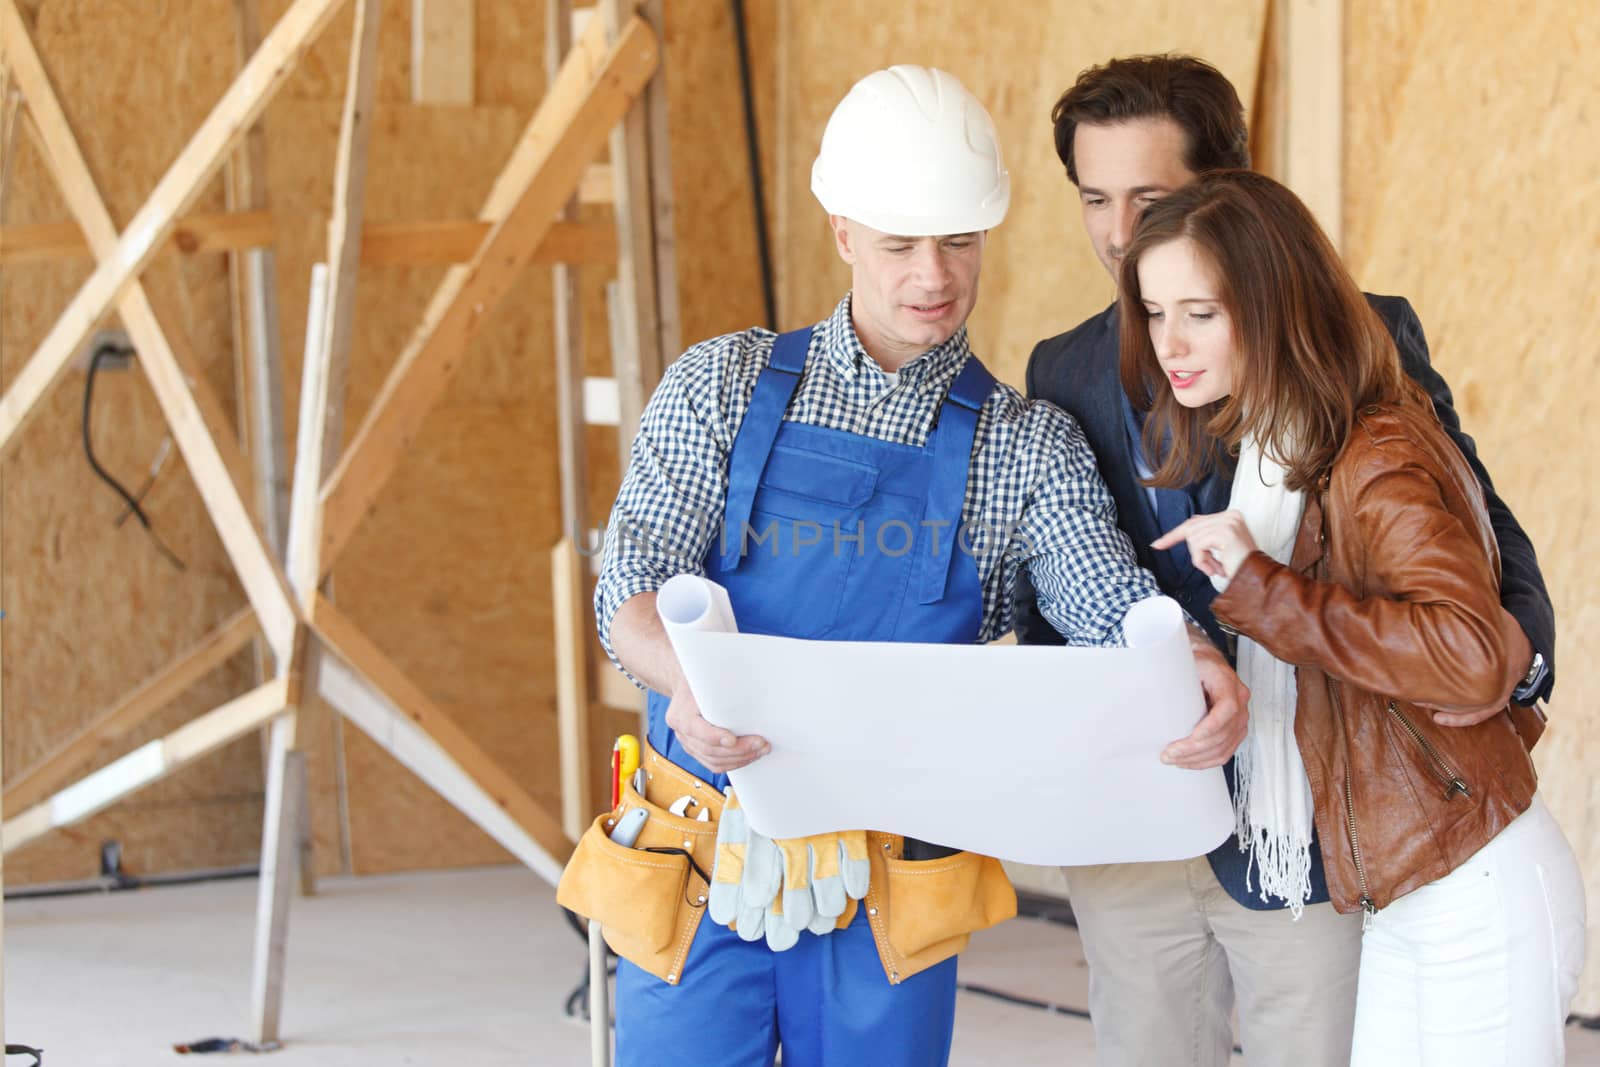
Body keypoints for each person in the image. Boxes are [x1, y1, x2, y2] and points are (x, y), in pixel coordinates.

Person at [559, 65, 1249, 1067]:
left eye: (958, 242)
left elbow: (1106, 594)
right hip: (701, 853)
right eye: (898, 245)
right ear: (842, 233)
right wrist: (681, 687)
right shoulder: (719, 383)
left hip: (890, 881)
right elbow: (626, 583)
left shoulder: (1026, 444)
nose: (932, 275)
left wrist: (1182, 654)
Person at [1013, 55, 1558, 1065]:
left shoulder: (1361, 335)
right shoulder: (1064, 367)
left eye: (1151, 196)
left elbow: (1471, 520)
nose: (1120, 231)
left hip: (1302, 816)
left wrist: (1512, 660)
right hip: (1139, 814)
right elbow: (1062, 575)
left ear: (1229, 195)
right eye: (1094, 197)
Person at [1131, 167, 1585, 1066]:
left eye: (1202, 313)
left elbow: (1470, 654)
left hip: (1474, 892)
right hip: (1407, 890)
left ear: (1272, 304)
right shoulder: (1282, 446)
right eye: (1154, 312)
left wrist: (1263, 589)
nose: (1169, 343)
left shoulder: (1372, 452)